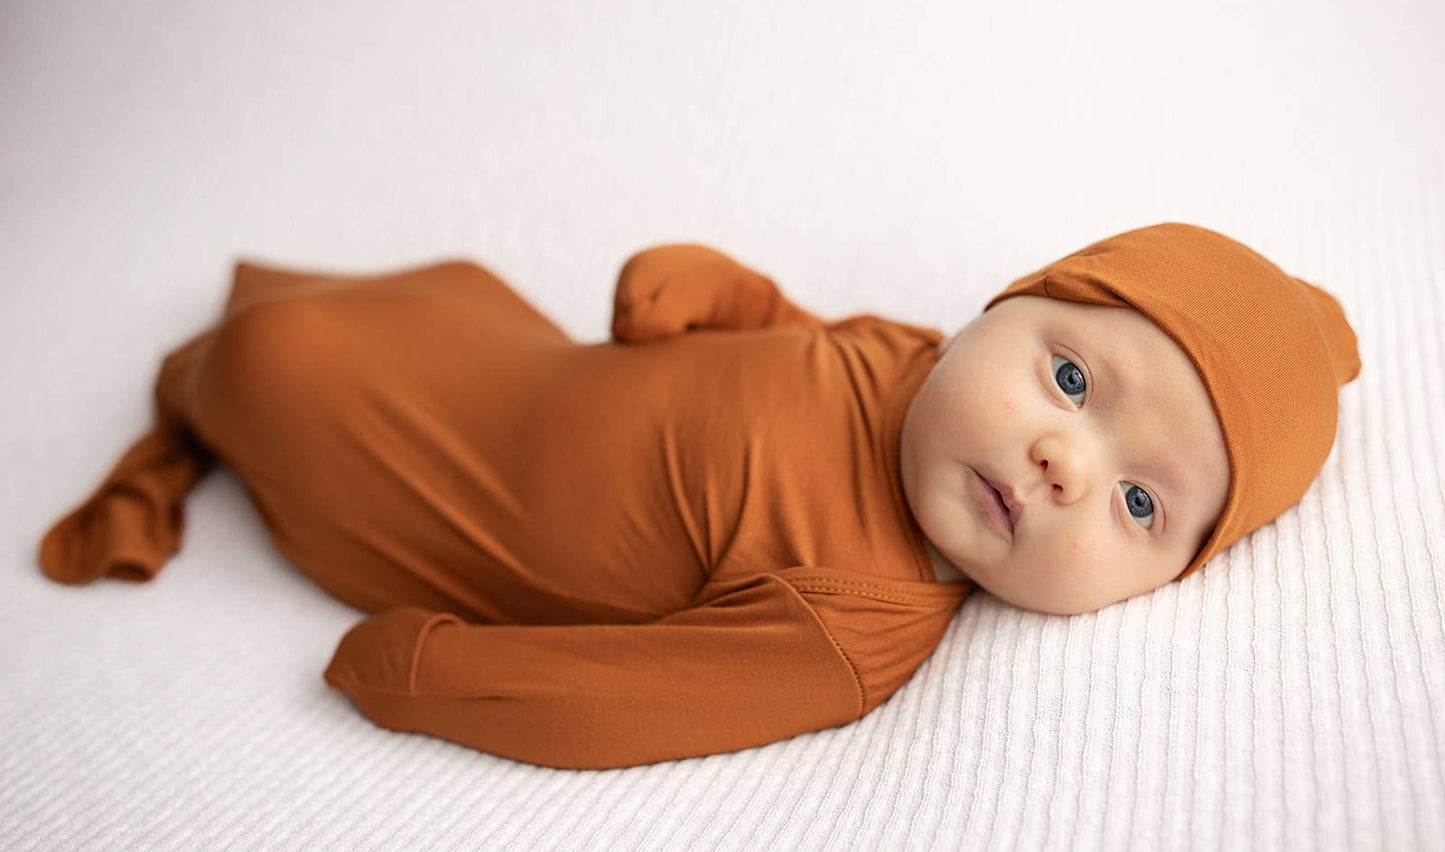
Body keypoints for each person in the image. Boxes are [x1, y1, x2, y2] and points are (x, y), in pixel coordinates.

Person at [34, 222, 1361, 769]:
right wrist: (726, 294)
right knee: (439, 292)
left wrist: (439, 676)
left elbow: (627, 696)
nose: (1068, 464)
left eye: (1140, 508)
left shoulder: (854, 626)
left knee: (281, 365)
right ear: (989, 315)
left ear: (1168, 580)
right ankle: (197, 408)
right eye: (1069, 376)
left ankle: (190, 415)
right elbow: (799, 336)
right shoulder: (907, 359)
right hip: (510, 361)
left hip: (441, 488)